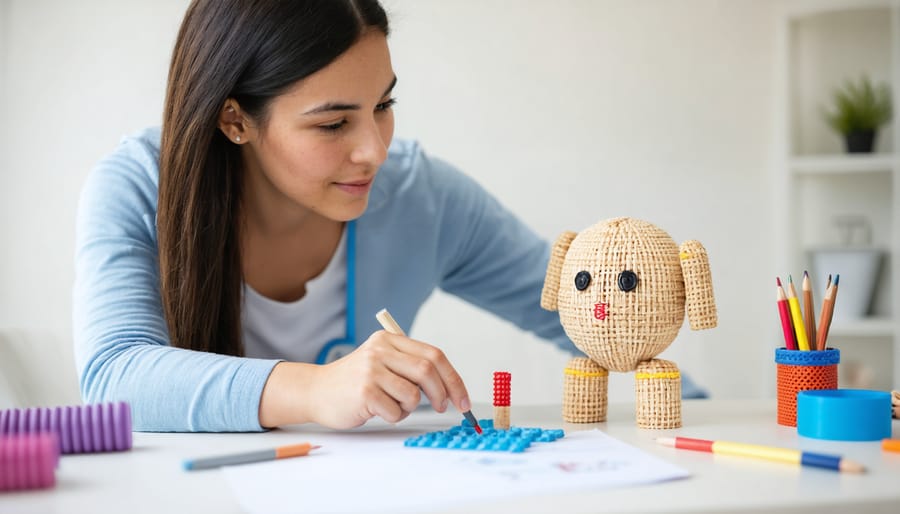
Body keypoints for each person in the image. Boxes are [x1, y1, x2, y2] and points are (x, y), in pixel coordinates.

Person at [73, 0, 704, 433]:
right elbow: (115, 376)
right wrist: (318, 389)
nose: (375, 148)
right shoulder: (137, 185)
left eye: (384, 104)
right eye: (332, 122)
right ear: (235, 119)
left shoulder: (423, 197)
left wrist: (720, 419)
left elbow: (594, 320)